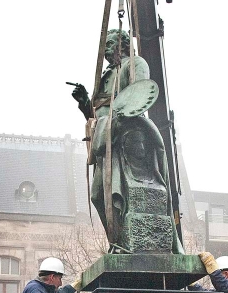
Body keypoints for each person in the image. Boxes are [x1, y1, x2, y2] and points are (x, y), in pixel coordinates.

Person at [71, 29, 183, 254]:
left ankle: (125, 244)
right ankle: (118, 241)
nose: (106, 49)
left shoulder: (135, 64)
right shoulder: (105, 76)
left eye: (110, 43)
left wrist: (118, 117)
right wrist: (85, 104)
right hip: (105, 141)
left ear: (121, 44)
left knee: (124, 195)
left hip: (126, 137)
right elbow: (98, 114)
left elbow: (140, 96)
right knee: (97, 196)